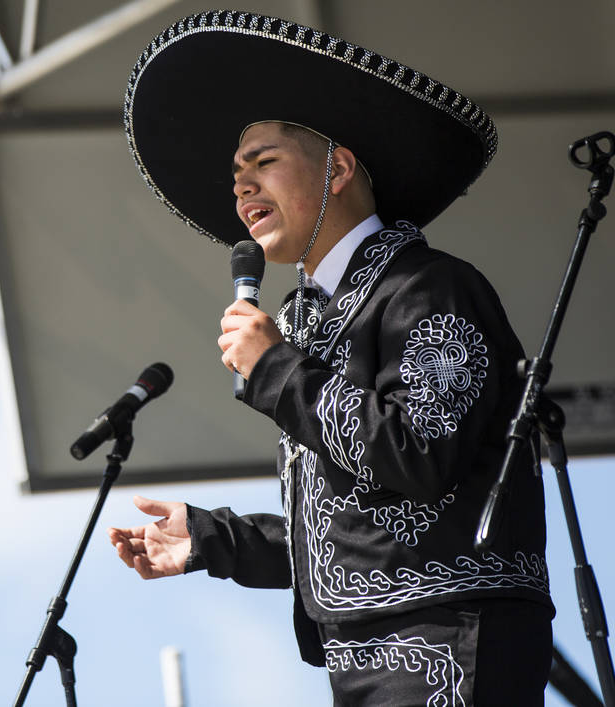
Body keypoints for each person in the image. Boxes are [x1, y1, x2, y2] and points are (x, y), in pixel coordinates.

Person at [112, 11, 555, 705]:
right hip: (364, 654)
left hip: (450, 638)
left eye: (263, 162)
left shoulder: (429, 285)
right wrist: (210, 539)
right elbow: (341, 527)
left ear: (340, 167)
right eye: (236, 174)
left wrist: (276, 369)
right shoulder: (309, 322)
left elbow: (420, 450)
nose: (241, 187)